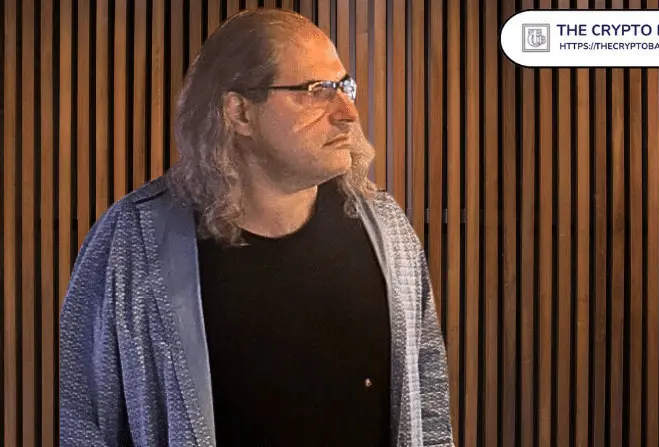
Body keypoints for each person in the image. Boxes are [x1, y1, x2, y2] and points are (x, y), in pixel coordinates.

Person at [59, 8, 453, 447]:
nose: (348, 113)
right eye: (317, 90)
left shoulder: (388, 230)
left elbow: (429, 406)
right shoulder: (134, 240)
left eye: (345, 87)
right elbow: (84, 421)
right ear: (240, 112)